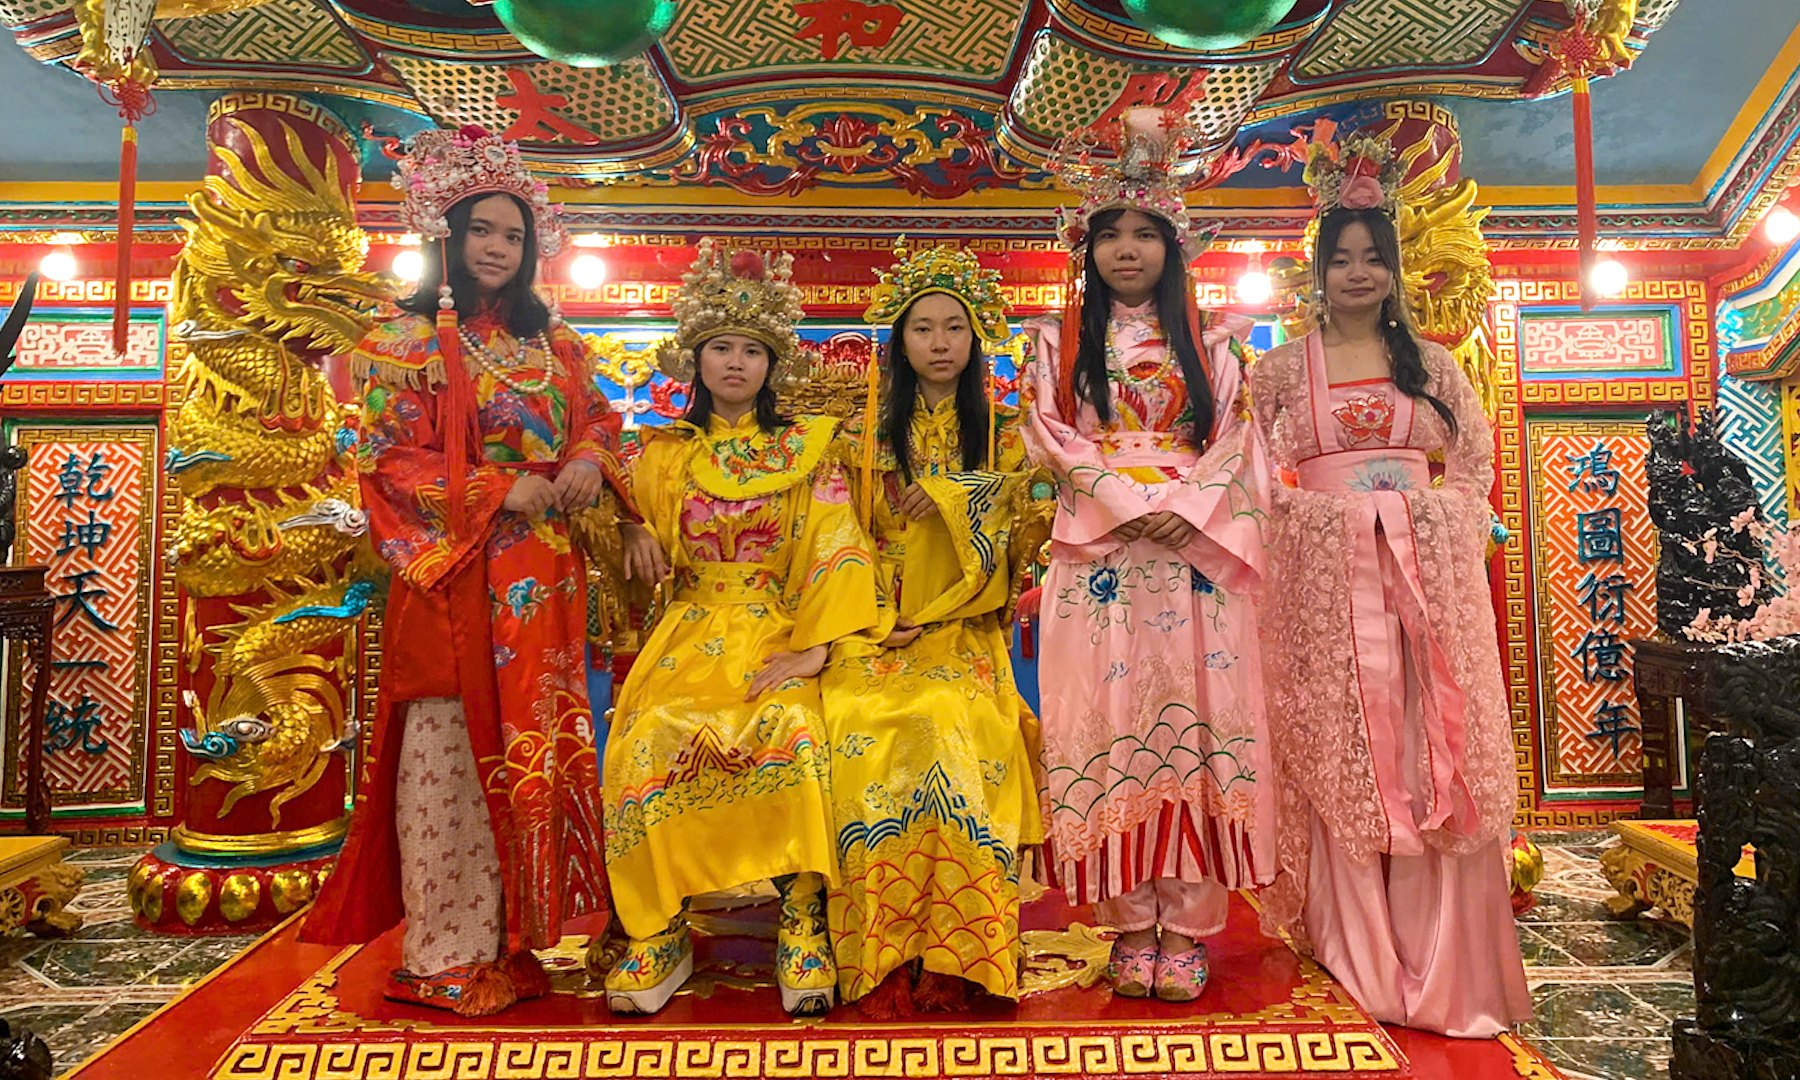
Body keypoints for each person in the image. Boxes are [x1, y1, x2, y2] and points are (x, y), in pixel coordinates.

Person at [302, 126, 636, 1017]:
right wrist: (503, 488)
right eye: (481, 229)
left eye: (513, 235)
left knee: (541, 755)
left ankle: (512, 940)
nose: (497, 247)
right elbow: (382, 462)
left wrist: (590, 464)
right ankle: (445, 950)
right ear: (443, 234)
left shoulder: (553, 345)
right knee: (449, 758)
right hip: (454, 586)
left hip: (547, 590)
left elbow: (603, 424)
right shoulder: (398, 341)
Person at [1250, 133, 1531, 1037]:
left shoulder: (1437, 366)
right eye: (1343, 258)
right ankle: (1355, 955)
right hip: (1327, 592)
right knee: (1342, 742)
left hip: (1424, 591)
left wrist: (1434, 516)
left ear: (1395, 270)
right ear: (1317, 270)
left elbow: (1476, 467)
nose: (1359, 273)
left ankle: (1444, 961)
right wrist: (1314, 522)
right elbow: (1249, 479)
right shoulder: (1279, 371)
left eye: (1374, 257)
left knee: (1425, 743)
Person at [1023, 109, 1273, 1003]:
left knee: (1204, 724)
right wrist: (1131, 502)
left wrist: (1185, 507)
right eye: (1109, 235)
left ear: (1174, 247)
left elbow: (1239, 442)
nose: (1126, 250)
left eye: (1145, 234)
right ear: (1085, 251)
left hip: (1194, 553)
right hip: (1101, 554)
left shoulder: (1213, 346)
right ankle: (1131, 920)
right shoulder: (1057, 344)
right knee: (1109, 721)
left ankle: (1193, 918)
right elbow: (1052, 437)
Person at [601, 239, 881, 1017]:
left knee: (791, 727)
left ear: (772, 365)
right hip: (688, 628)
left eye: (751, 351)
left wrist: (815, 647)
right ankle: (658, 923)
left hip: (775, 626)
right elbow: (621, 534)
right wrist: (628, 531)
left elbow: (836, 544)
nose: (735, 364)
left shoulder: (809, 449)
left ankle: (801, 914)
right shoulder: (661, 457)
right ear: (694, 360)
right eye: (720, 348)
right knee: (649, 732)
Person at [821, 240, 1051, 1016]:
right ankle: (880, 945)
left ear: (977, 339)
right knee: (856, 724)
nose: (941, 343)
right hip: (873, 623)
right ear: (900, 340)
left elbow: (1026, 520)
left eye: (956, 327)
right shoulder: (857, 436)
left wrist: (958, 497)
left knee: (956, 728)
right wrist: (868, 619)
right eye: (924, 328)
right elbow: (834, 534)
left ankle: (959, 949)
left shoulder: (1005, 434)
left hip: (962, 627)